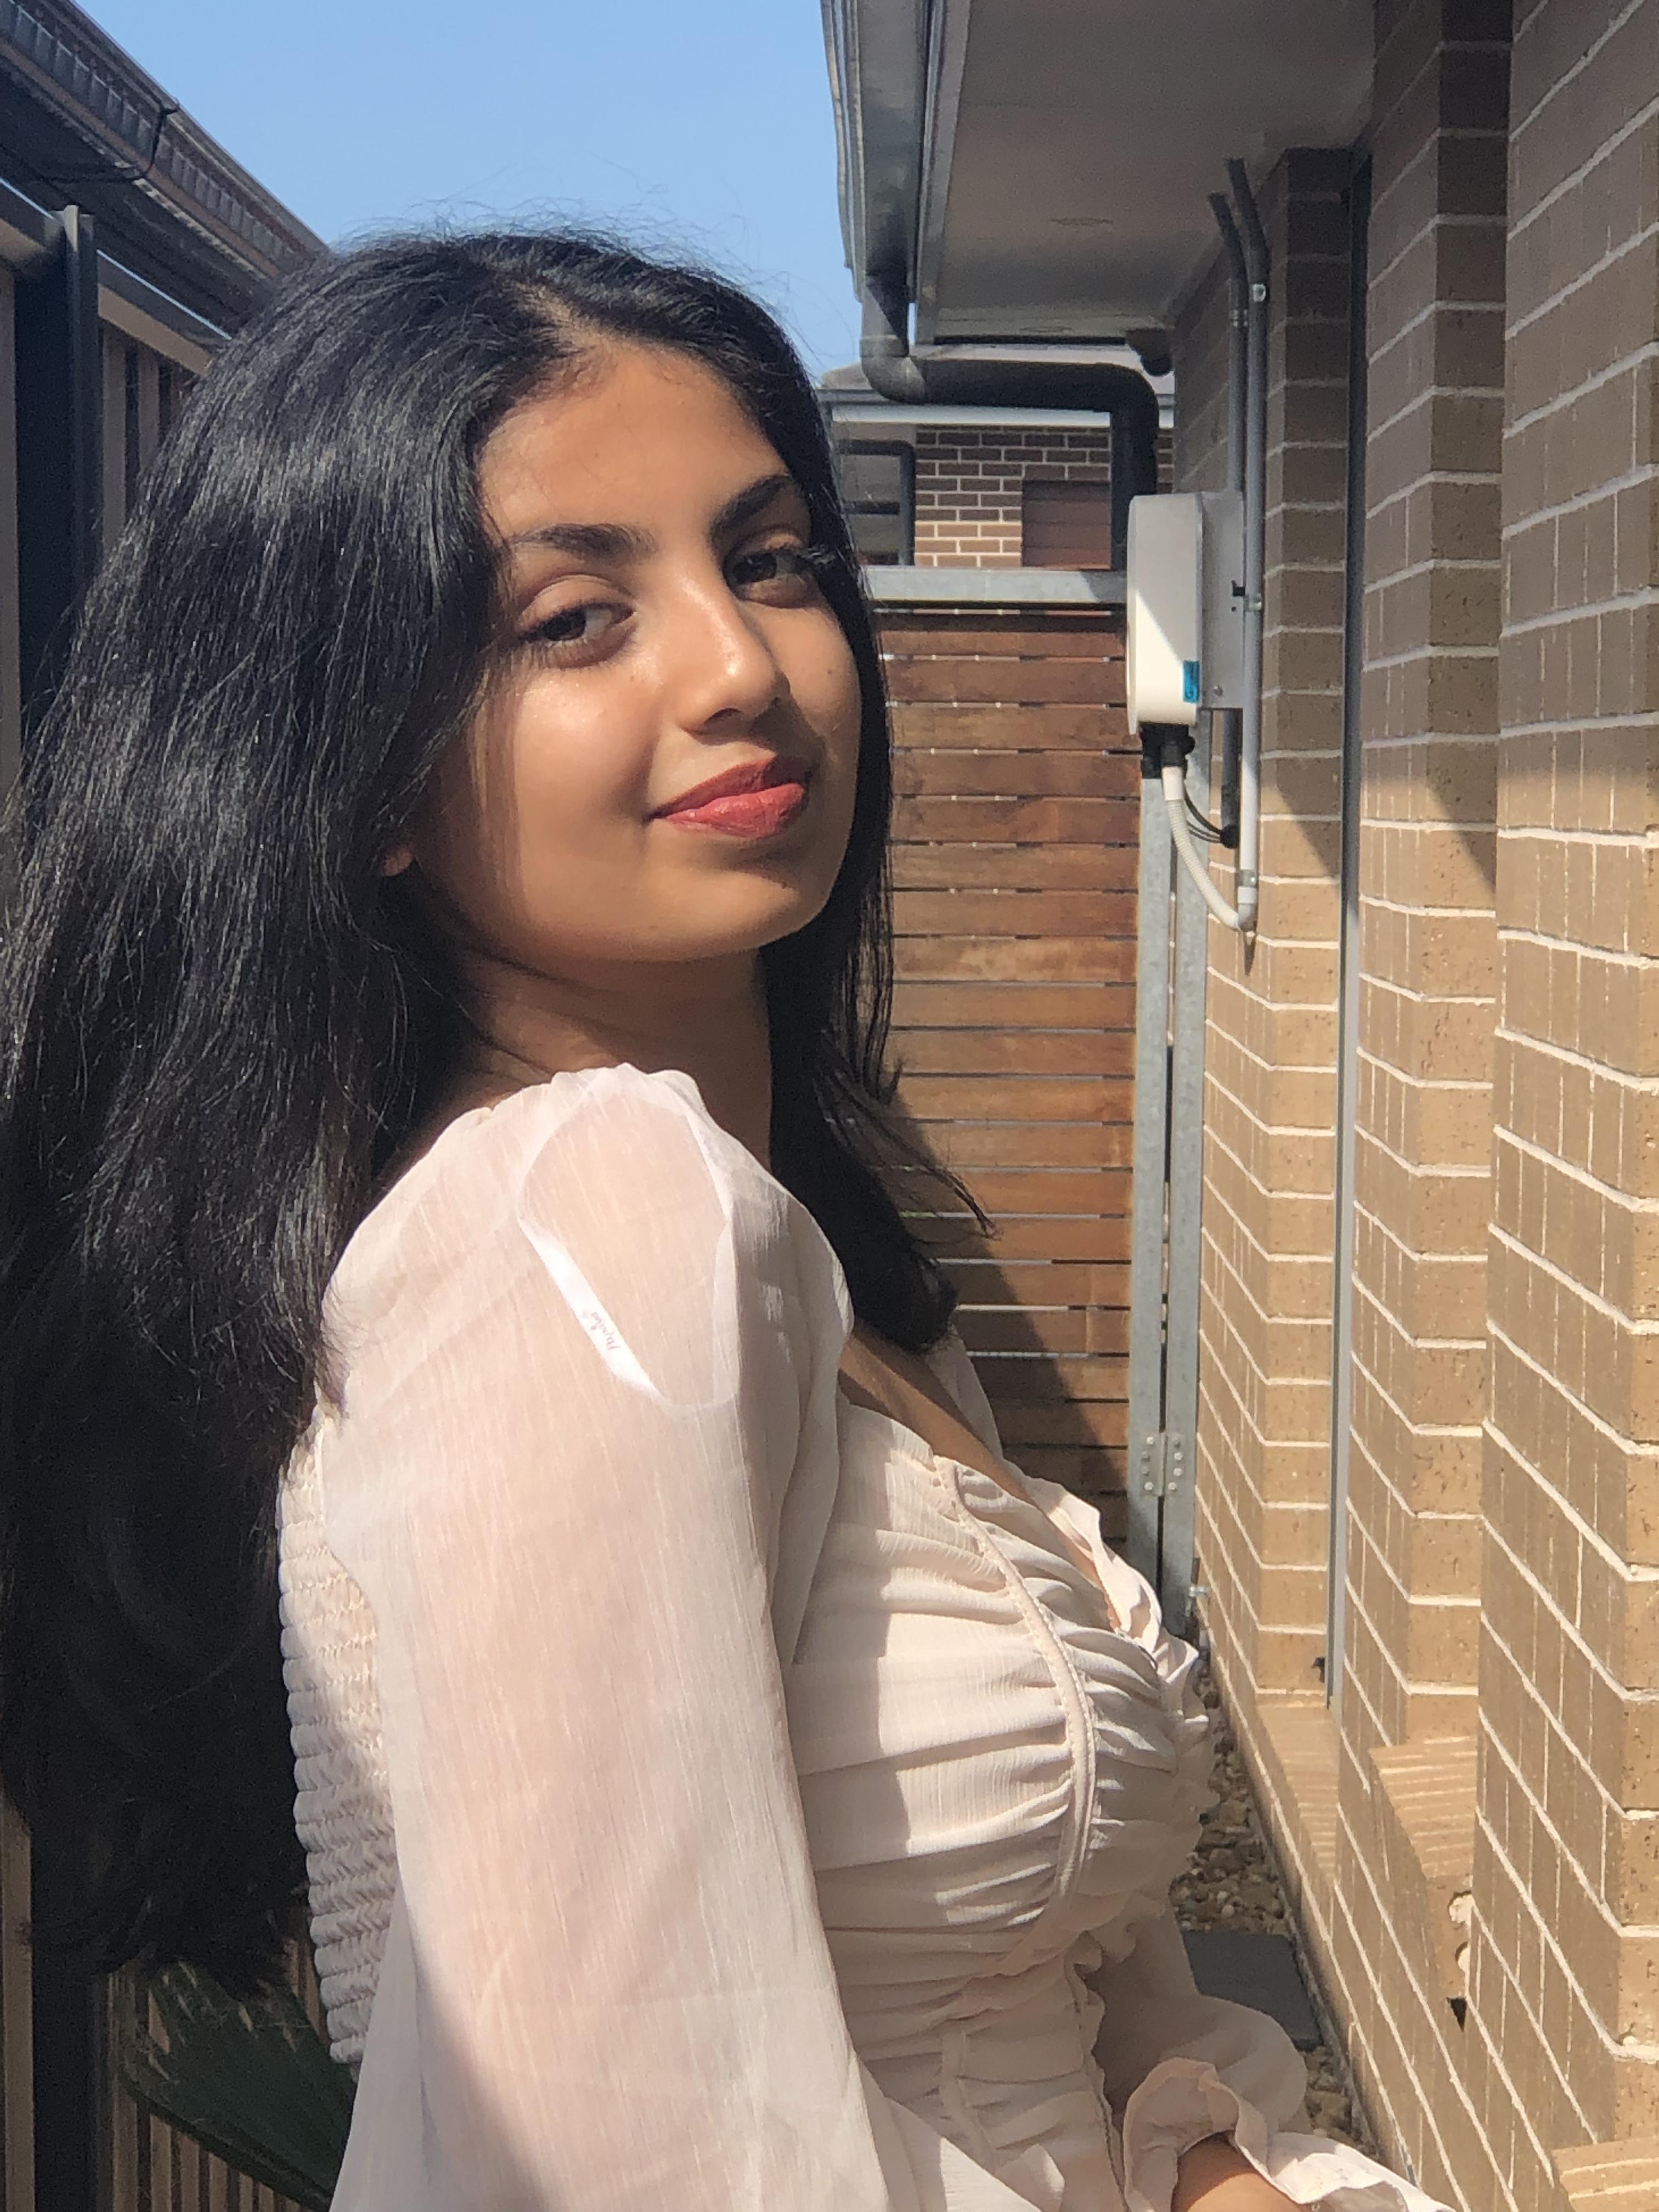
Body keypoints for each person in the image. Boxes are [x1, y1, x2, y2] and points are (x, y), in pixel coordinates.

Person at [0, 232, 1447, 2211]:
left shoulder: (815, 1256)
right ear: (361, 773)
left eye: (769, 562)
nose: (745, 668)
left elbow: (1072, 2006)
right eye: (577, 617)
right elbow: (647, 2162)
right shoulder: (586, 1222)